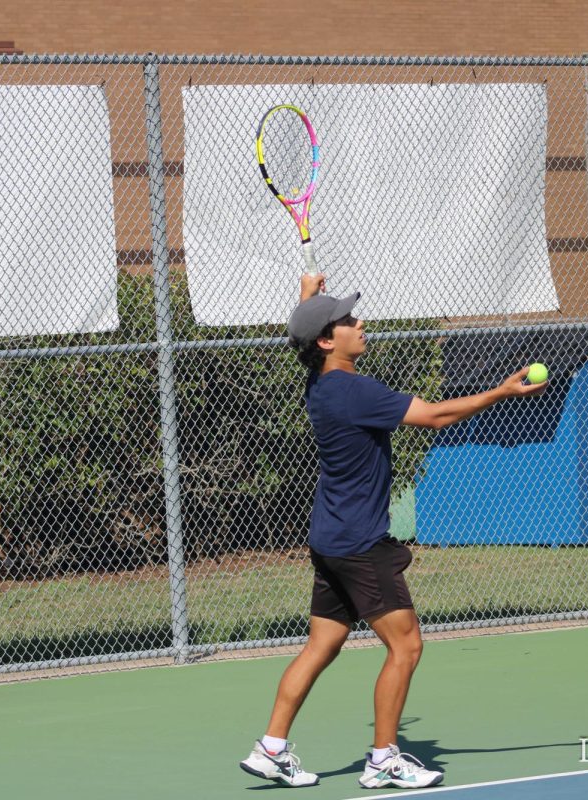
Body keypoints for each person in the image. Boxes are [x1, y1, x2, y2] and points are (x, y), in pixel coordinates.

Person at [239, 273, 548, 789]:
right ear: (326, 341)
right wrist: (503, 390)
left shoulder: (318, 383)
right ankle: (384, 760)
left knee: (322, 646)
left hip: (329, 539)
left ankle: (270, 748)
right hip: (361, 545)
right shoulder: (357, 391)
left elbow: (301, 338)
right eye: (347, 322)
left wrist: (307, 299)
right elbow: (437, 416)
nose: (361, 324)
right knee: (406, 648)